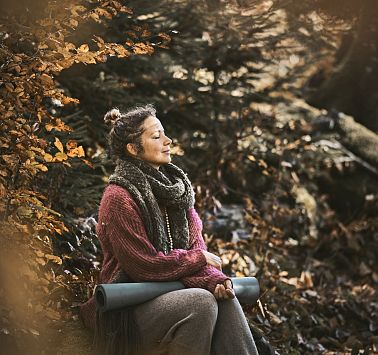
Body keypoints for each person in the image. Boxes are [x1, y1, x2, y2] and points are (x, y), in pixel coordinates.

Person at [79, 104, 259, 355]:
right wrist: (198, 259)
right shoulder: (119, 197)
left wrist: (215, 281)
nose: (168, 140)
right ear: (133, 149)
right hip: (126, 310)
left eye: (164, 133)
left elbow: (197, 250)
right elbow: (143, 265)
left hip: (172, 294)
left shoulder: (177, 192)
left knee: (223, 297)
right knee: (201, 302)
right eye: (156, 136)